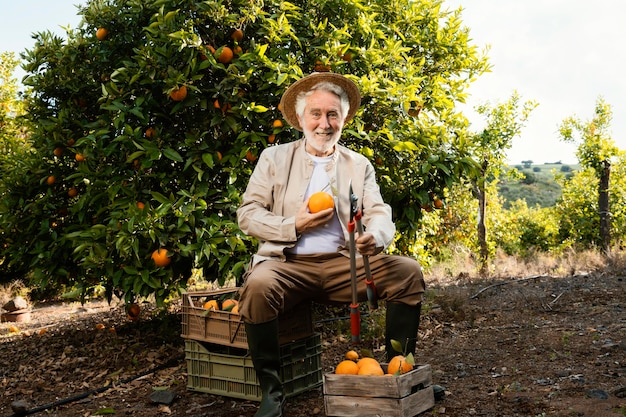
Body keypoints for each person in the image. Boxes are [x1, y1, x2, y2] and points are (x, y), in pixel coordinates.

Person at [236, 72, 426, 417]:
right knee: (258, 285)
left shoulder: (358, 164)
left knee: (407, 272)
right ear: (300, 118)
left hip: (343, 264)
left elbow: (379, 211)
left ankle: (399, 373)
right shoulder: (274, 158)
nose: (324, 123)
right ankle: (271, 392)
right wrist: (293, 224)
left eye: (332, 114)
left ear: (344, 118)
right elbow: (248, 215)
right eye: (316, 114)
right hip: (287, 264)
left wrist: (375, 236)